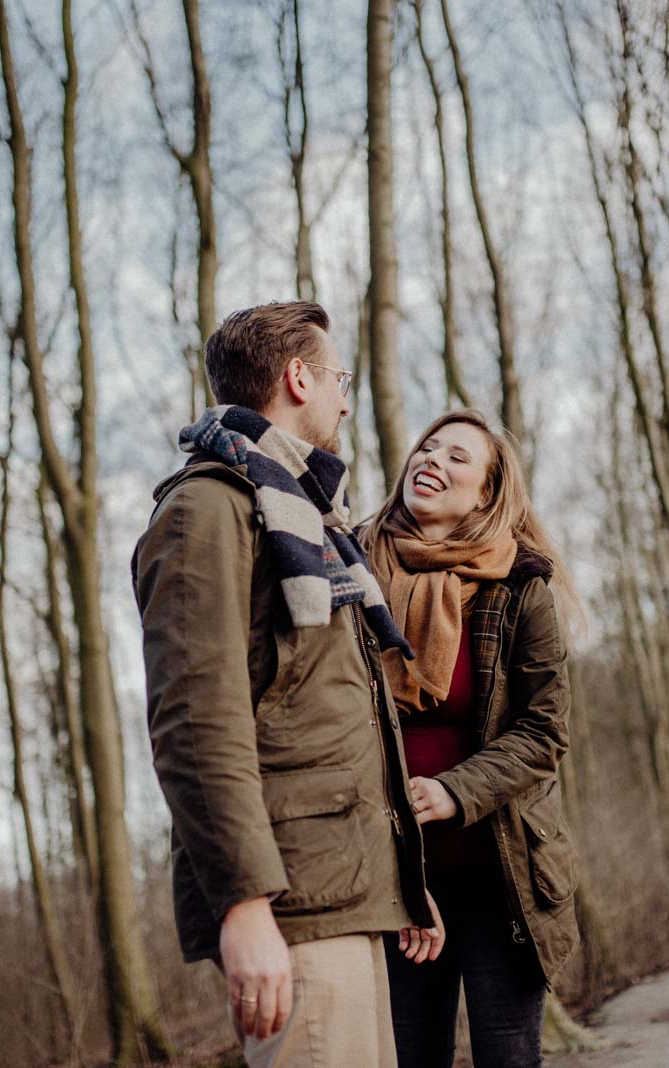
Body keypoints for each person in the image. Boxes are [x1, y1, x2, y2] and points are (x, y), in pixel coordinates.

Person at [132, 301, 443, 1068]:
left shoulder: (306, 518)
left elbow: (333, 718)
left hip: (346, 893)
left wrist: (403, 878)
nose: (346, 396)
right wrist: (243, 906)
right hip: (288, 905)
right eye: (339, 377)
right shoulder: (206, 511)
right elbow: (198, 723)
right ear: (298, 378)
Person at [361, 409, 581, 1068]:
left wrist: (457, 791)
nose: (432, 460)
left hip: (499, 872)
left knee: (508, 1059)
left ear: (485, 492)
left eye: (457, 457)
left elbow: (545, 729)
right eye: (427, 449)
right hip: (392, 876)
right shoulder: (351, 570)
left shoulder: (520, 585)